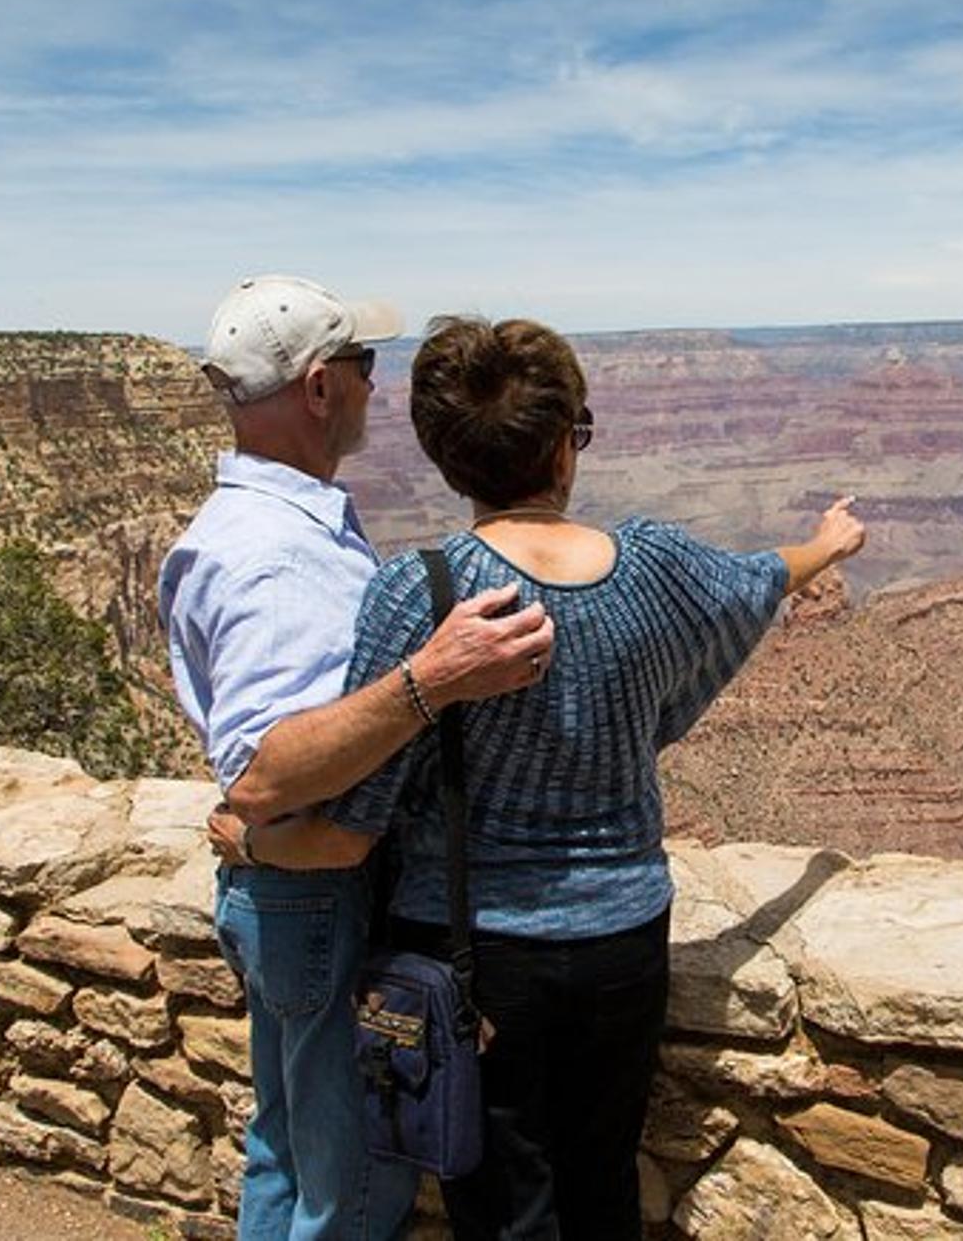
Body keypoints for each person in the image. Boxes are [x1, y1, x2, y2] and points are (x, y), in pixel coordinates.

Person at [209, 313, 865, 1240]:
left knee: (503, 1208)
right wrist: (828, 544)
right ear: (565, 446)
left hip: (472, 958)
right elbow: (758, 578)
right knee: (602, 1188)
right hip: (626, 938)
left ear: (444, 456)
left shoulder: (422, 593)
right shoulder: (660, 568)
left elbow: (353, 826)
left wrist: (254, 835)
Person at [161, 277, 556, 1241]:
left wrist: (250, 841)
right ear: (317, 387)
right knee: (354, 1185)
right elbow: (269, 770)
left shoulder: (265, 522)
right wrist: (432, 678)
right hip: (321, 902)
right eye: (364, 366)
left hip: (286, 901)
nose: (378, 388)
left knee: (286, 1153)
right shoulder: (275, 556)